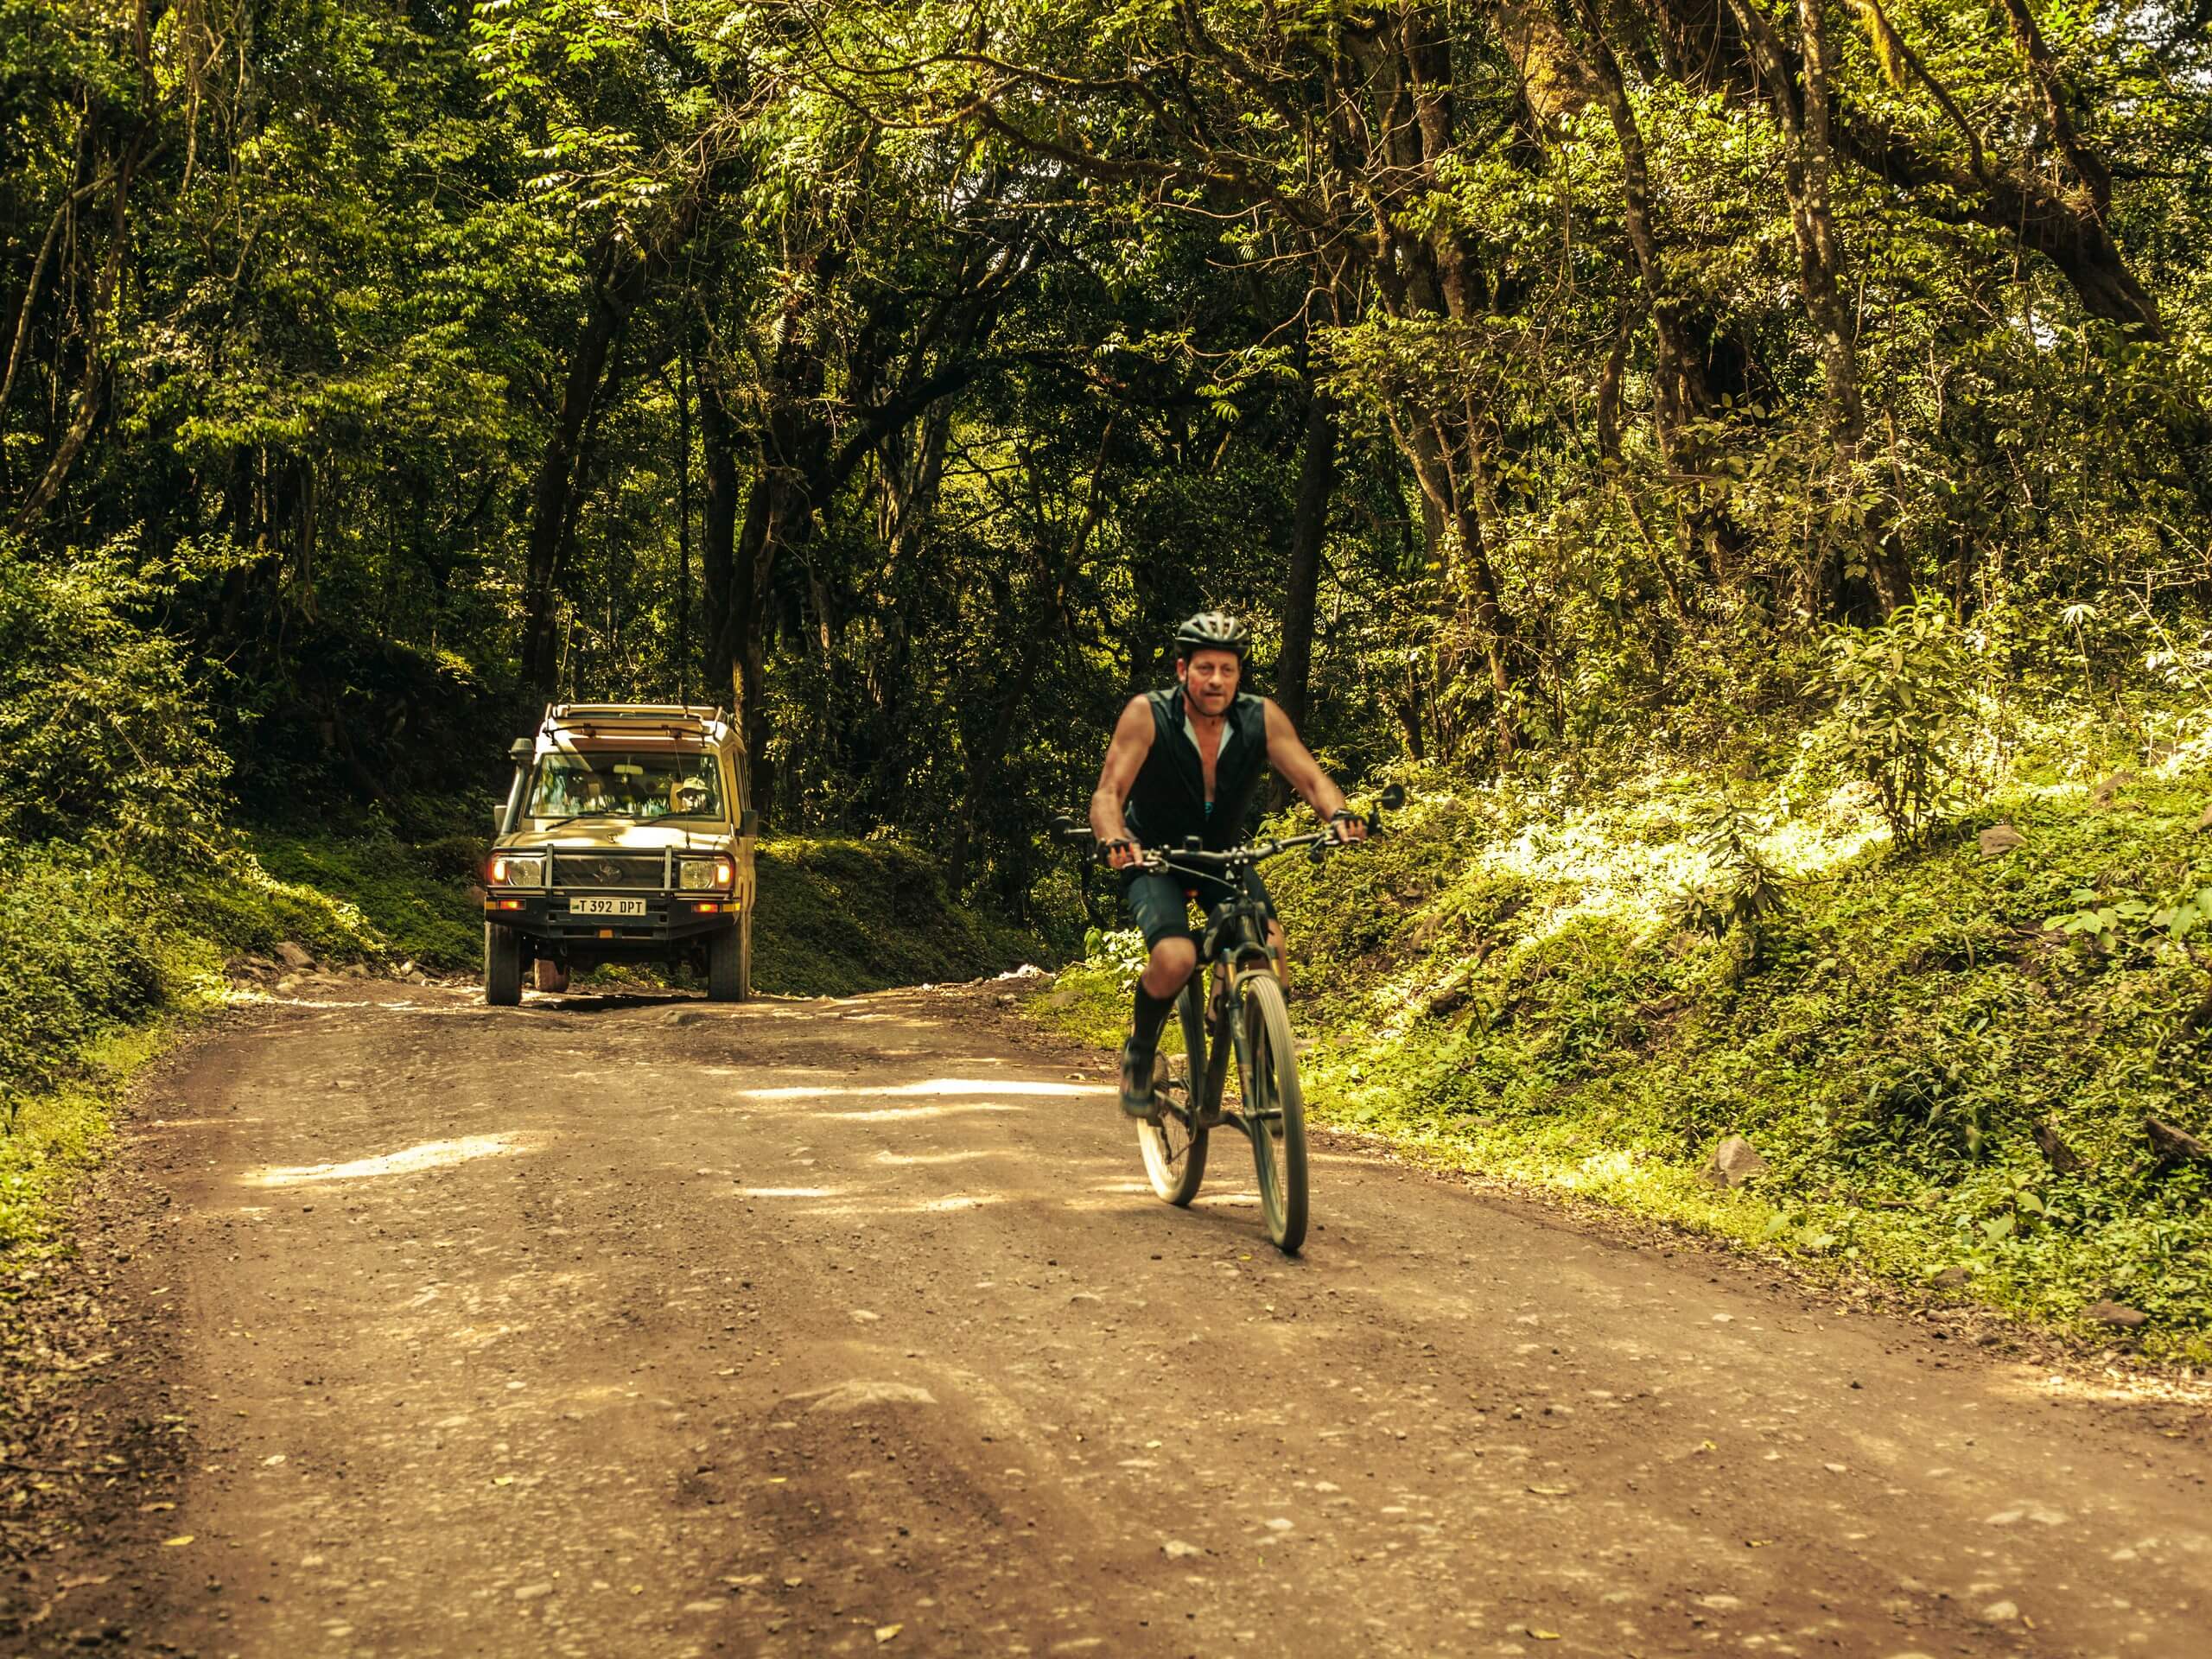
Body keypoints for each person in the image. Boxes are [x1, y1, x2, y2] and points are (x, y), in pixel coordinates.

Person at [1087, 611, 1365, 1117]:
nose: (1216, 680)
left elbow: (1311, 778)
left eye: (1228, 669)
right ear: (1182, 671)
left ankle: (1257, 1063)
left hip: (1222, 858)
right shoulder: (1147, 715)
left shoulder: (1260, 717)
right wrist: (1114, 839)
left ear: (1239, 675)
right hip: (1155, 857)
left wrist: (1339, 814)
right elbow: (1109, 792)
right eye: (1205, 668)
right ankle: (1140, 1052)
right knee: (1173, 958)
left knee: (1269, 949)